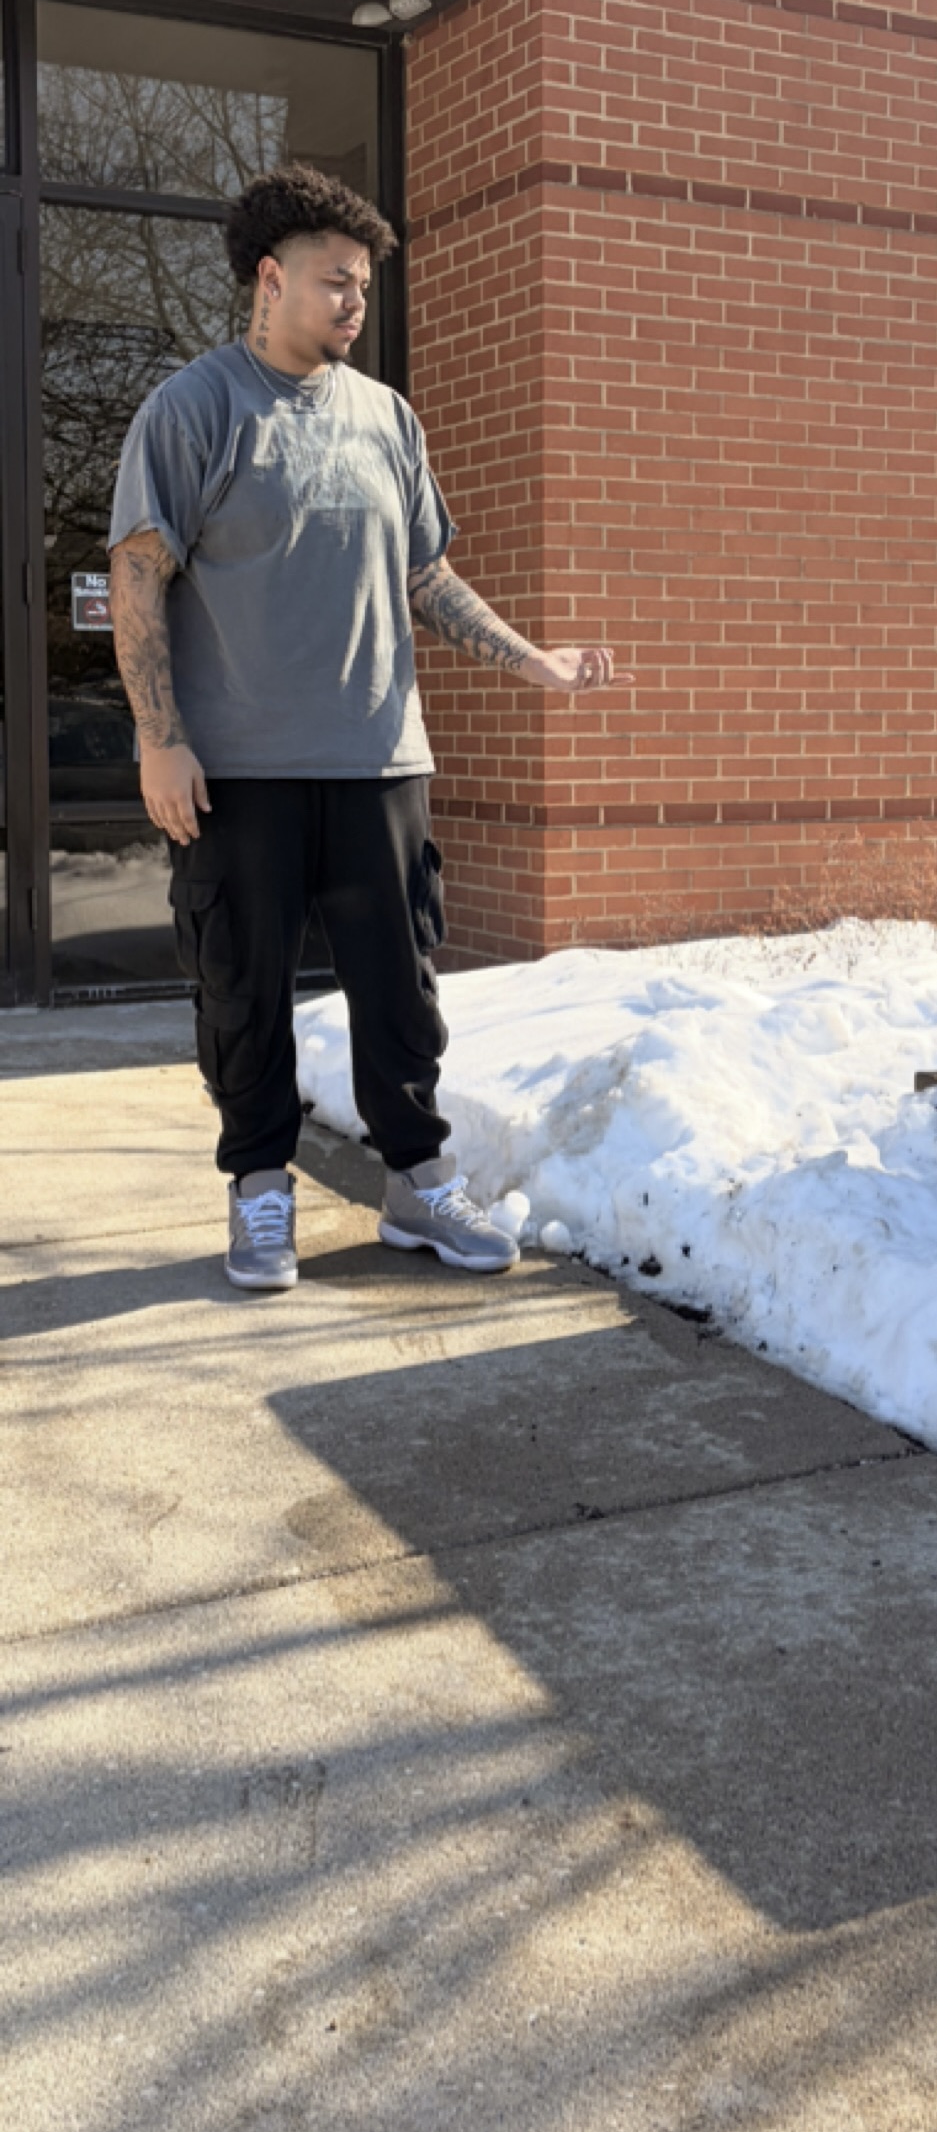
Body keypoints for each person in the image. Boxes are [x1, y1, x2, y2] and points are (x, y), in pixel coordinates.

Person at [107, 162, 628, 1293]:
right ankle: (259, 1190)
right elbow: (139, 576)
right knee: (241, 991)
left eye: (363, 289)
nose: (354, 304)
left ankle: (417, 1185)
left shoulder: (388, 417)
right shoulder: (194, 409)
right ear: (269, 277)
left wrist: (532, 658)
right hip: (238, 770)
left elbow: (426, 575)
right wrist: (160, 733)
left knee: (402, 994)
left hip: (381, 759)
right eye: (337, 283)